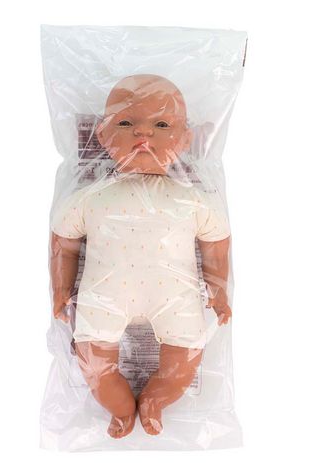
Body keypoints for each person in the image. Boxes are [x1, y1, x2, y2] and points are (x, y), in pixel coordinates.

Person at [50, 74, 232, 438]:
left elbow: (216, 242)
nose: (143, 133)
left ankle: (155, 400)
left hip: (174, 297)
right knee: (94, 363)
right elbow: (63, 242)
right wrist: (61, 287)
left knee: (185, 359)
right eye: (126, 123)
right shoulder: (93, 197)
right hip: (105, 297)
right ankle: (119, 408)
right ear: (103, 135)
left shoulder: (191, 199)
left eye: (161, 125)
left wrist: (218, 288)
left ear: (184, 140)